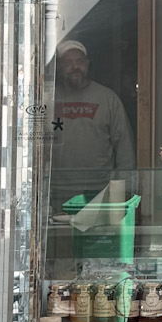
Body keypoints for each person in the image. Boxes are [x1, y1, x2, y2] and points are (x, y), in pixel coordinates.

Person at [49, 38, 136, 206]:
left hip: (99, 193)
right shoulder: (48, 99)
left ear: (87, 64)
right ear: (59, 67)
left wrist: (123, 191)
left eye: (80, 61)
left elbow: (125, 150)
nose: (75, 67)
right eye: (68, 62)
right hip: (56, 192)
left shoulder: (107, 99)